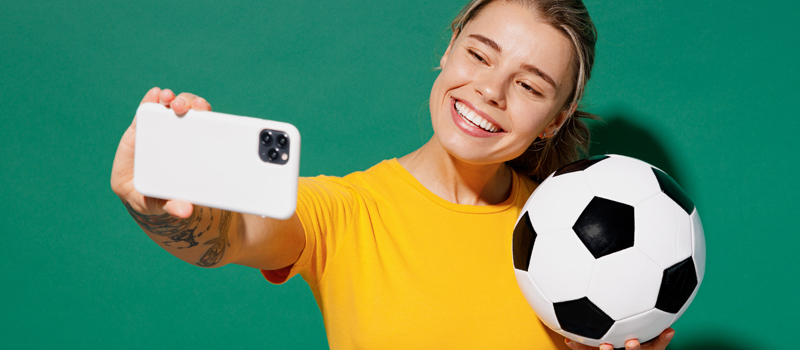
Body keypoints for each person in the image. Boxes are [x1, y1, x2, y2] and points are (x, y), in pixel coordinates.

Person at [111, 0, 675, 349]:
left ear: (554, 122)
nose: (490, 90)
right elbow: (228, 236)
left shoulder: (586, 247)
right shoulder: (347, 211)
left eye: (529, 86)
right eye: (479, 55)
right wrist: (158, 208)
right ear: (449, 49)